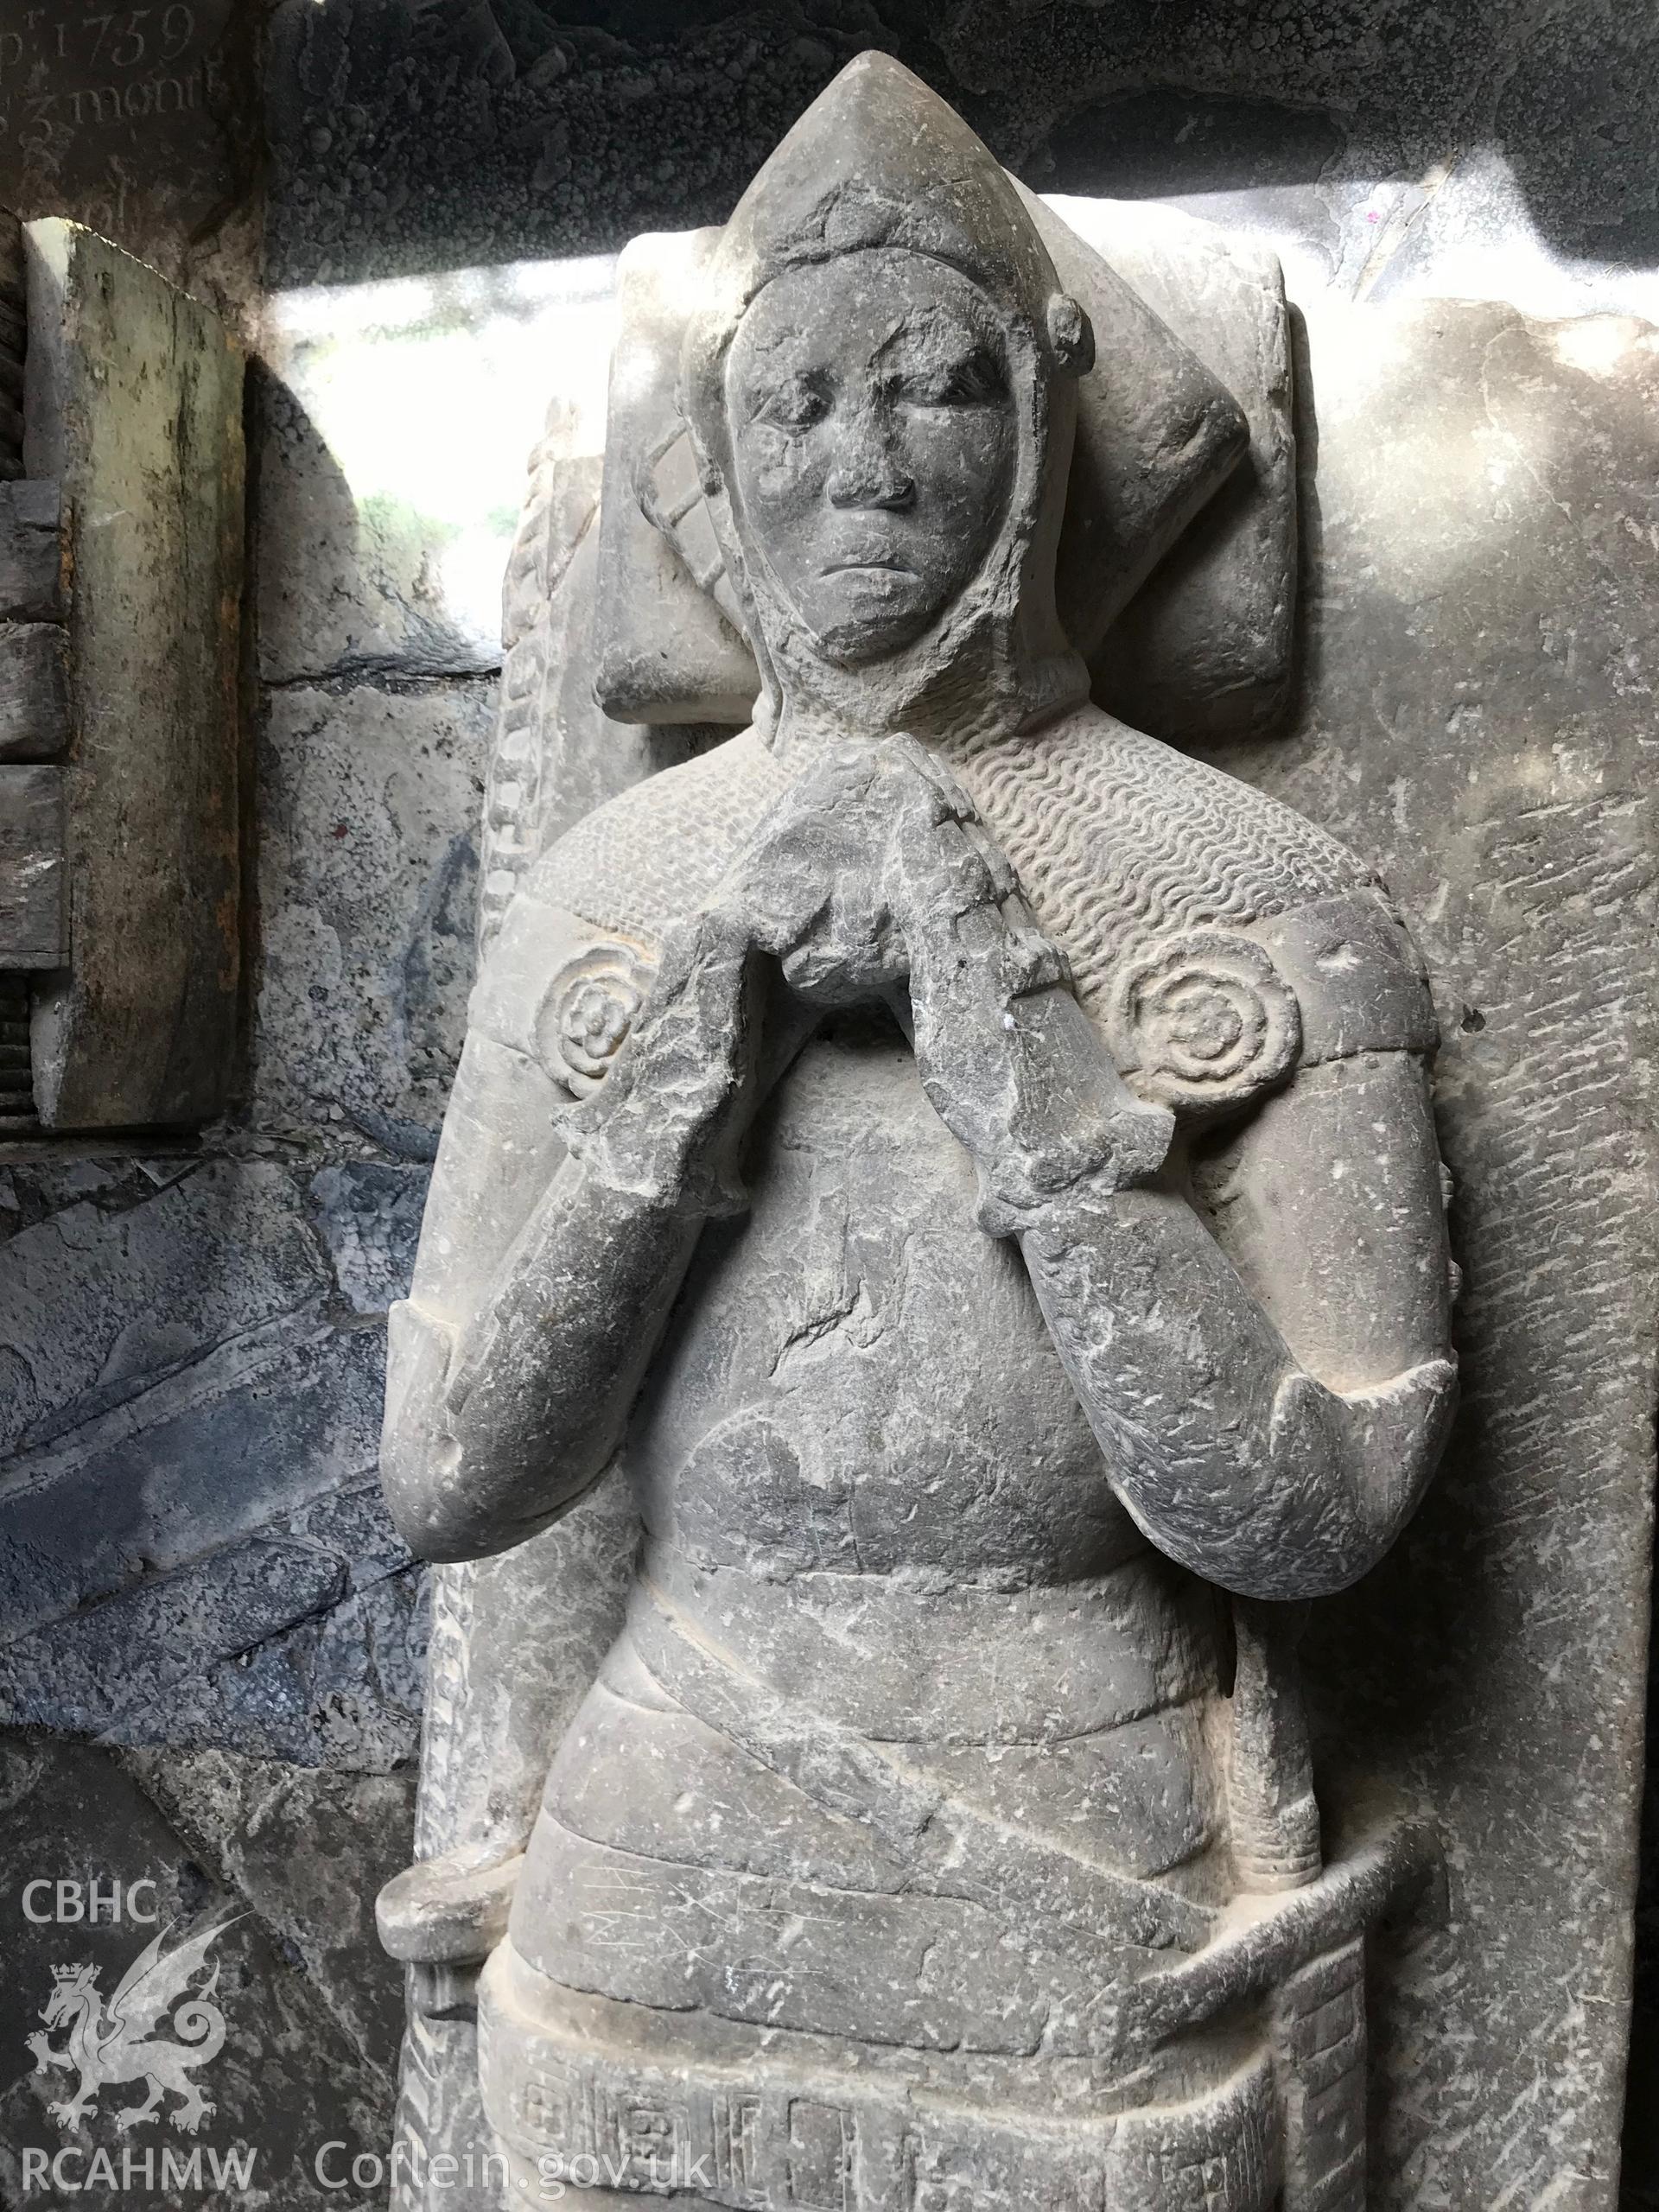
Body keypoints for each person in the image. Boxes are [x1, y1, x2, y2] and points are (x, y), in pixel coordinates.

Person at [380, 53, 1456, 2210]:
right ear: (716, 453)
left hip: (1091, 1849)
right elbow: (453, 1475)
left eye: (931, 391)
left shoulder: (1252, 896)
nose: (861, 462)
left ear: (1045, 416)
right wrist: (693, 1054)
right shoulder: (609, 893)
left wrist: (1021, 1048)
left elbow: (1323, 1502)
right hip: (660, 1839)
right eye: (792, 405)